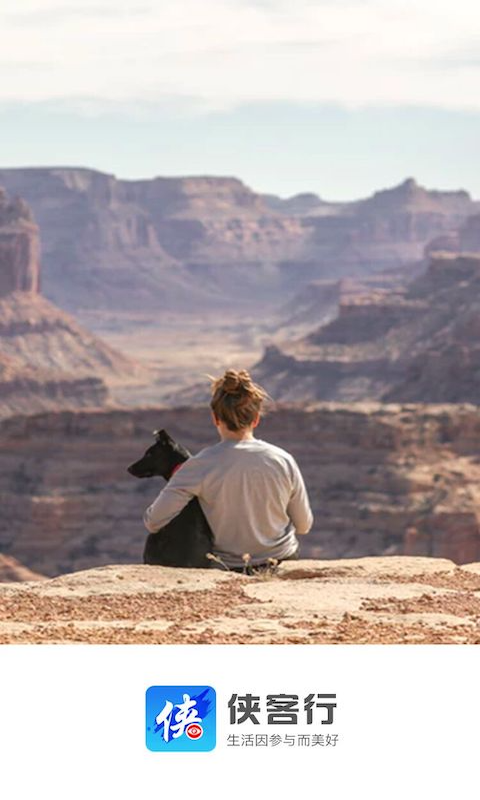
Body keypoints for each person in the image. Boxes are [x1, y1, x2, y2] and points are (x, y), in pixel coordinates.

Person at [143, 369, 313, 571]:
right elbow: (304, 526)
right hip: (282, 561)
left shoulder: (199, 465)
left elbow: (153, 522)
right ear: (256, 419)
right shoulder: (283, 460)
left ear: (215, 418)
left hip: (229, 568)